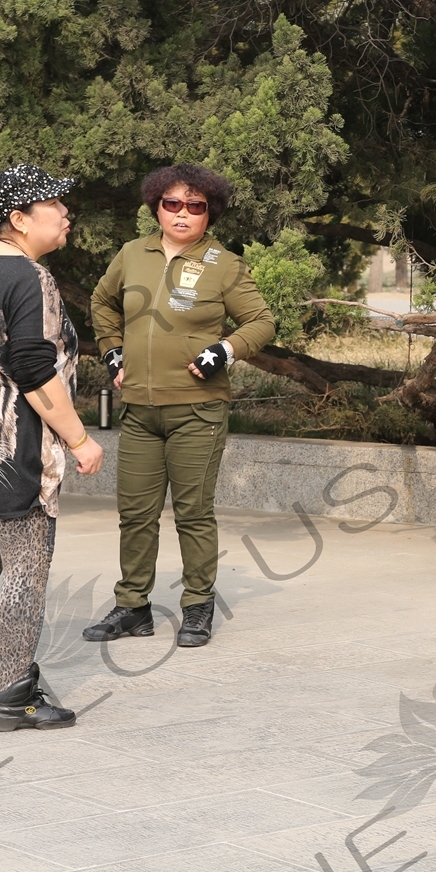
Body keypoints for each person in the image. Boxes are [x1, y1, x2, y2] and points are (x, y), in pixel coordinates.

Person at [0, 164, 104, 728]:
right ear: (18, 218)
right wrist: (79, 438)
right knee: (26, 569)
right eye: (53, 205)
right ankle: (15, 695)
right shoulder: (27, 275)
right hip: (14, 444)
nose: (65, 214)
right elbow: (31, 365)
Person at [83, 165, 275, 649]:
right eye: (172, 204)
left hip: (197, 410)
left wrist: (223, 351)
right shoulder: (131, 255)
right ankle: (132, 608)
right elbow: (102, 302)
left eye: (196, 206)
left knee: (192, 512)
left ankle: (197, 607)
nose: (183, 214)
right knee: (136, 513)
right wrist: (111, 351)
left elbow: (261, 321)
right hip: (140, 411)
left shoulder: (223, 264)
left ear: (210, 212)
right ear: (156, 208)